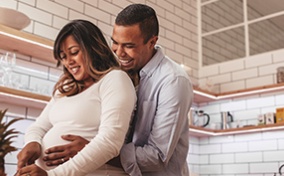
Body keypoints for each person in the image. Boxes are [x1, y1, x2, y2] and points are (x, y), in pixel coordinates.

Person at [40, 3, 193, 176]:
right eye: (115, 42)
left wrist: (90, 149)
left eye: (128, 46)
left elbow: (156, 157)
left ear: (152, 42)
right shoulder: (122, 73)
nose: (119, 53)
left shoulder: (172, 81)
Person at [16, 19, 136, 176]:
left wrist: (53, 175)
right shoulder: (65, 90)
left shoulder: (114, 79)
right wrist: (33, 142)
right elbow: (38, 127)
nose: (68, 62)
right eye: (63, 56)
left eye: (74, 52)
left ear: (93, 49)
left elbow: (110, 142)